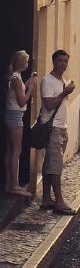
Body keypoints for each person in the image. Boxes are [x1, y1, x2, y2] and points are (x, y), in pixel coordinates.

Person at [40, 50, 76, 215]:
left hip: (62, 127)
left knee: (50, 164)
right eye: (60, 61)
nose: (63, 64)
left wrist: (66, 90)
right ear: (53, 61)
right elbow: (49, 104)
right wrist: (64, 92)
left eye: (65, 61)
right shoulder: (48, 81)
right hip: (53, 127)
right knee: (55, 166)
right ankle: (59, 201)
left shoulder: (63, 80)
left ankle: (47, 198)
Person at [3, 50, 37, 197]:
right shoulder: (16, 79)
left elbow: (20, 89)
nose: (28, 64)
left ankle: (8, 183)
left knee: (10, 151)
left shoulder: (16, 77)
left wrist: (30, 80)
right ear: (22, 63)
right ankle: (14, 185)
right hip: (15, 116)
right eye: (27, 61)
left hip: (10, 115)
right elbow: (22, 100)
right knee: (16, 152)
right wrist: (31, 88)